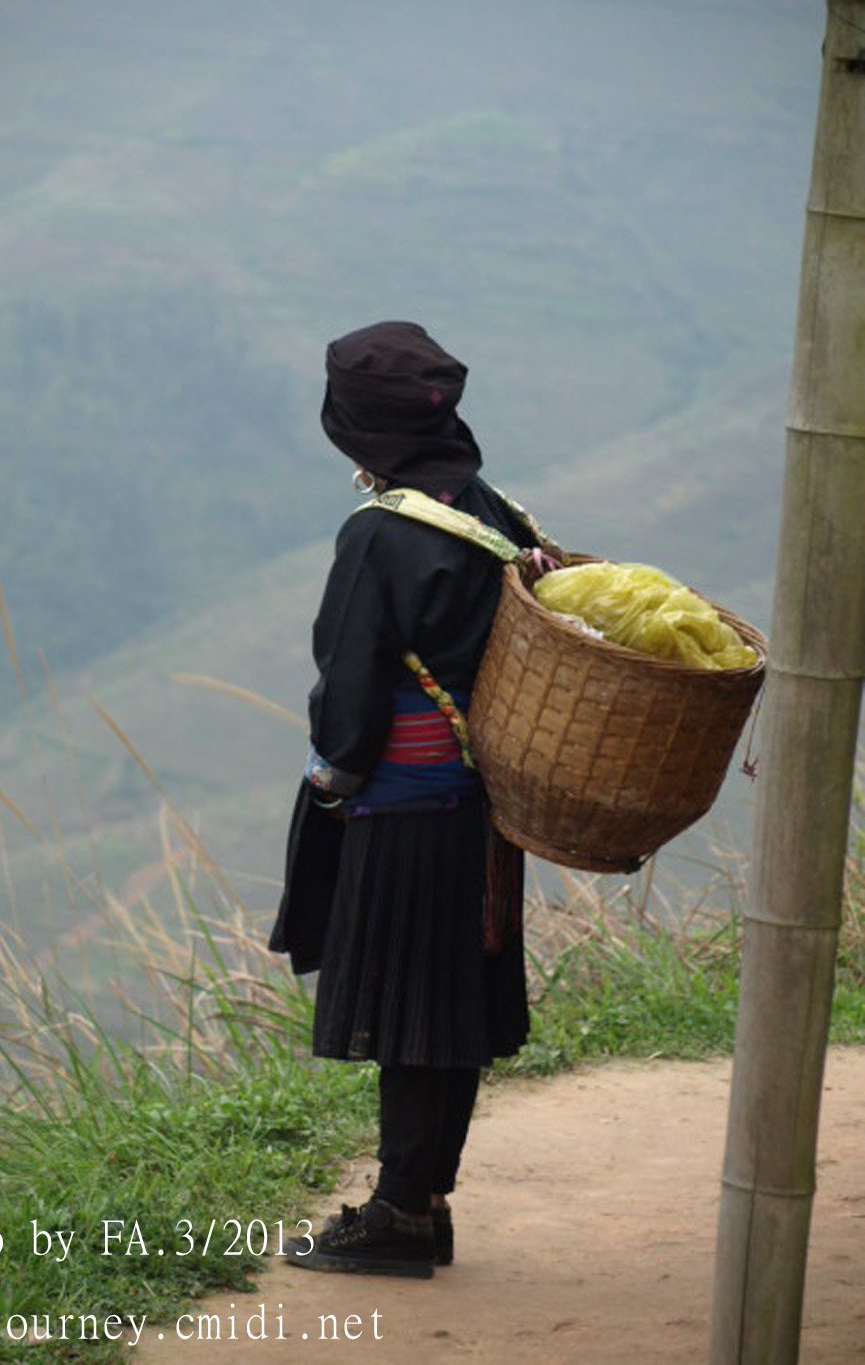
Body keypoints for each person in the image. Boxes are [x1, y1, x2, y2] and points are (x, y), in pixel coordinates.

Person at [269, 320, 550, 1278]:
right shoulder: (495, 511)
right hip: (484, 806)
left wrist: (332, 780)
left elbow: (349, 689)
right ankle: (424, 1202)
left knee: (407, 1011)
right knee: (450, 1000)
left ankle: (396, 1214)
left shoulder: (381, 533)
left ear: (354, 423)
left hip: (403, 803)